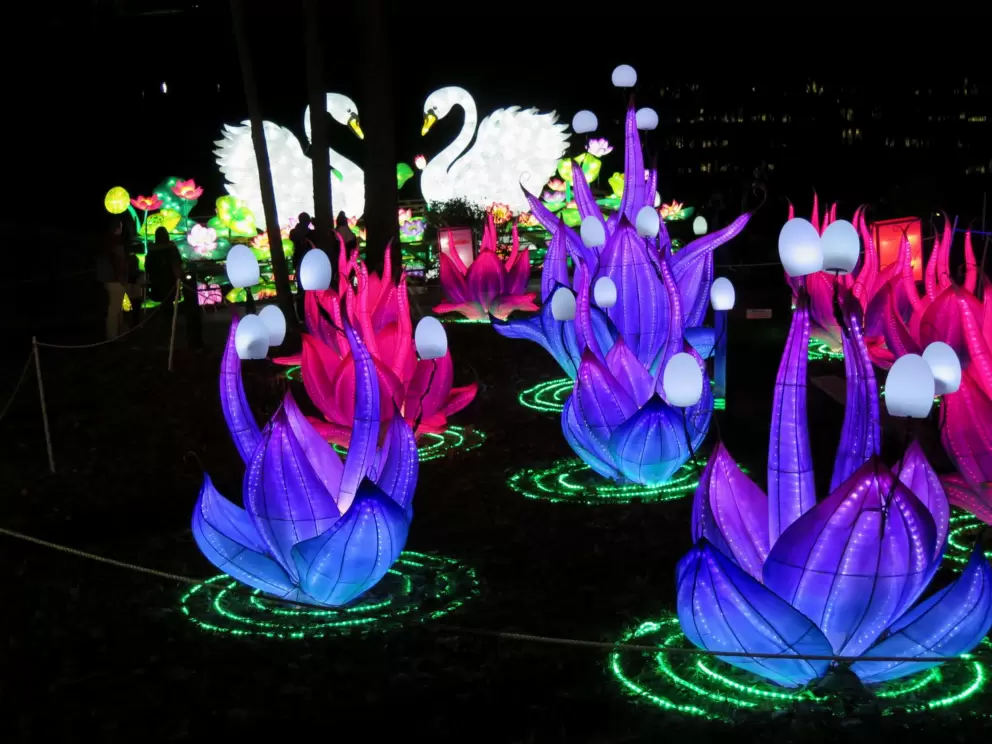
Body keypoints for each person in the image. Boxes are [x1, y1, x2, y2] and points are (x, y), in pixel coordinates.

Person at [145, 227, 183, 337]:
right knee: (170, 303)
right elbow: (178, 262)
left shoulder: (152, 250)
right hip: (170, 279)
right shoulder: (171, 248)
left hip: (157, 280)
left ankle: (165, 326)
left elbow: (148, 266)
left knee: (163, 302)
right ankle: (170, 325)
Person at [97, 218, 128, 339]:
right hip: (116, 279)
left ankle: (117, 332)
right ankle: (113, 335)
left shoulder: (105, 242)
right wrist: (123, 278)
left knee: (115, 307)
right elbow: (120, 261)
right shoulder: (117, 242)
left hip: (107, 279)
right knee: (115, 309)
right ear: (117, 228)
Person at [290, 212, 315, 319]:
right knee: (309, 288)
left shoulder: (294, 232)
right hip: (308, 263)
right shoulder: (310, 234)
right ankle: (308, 312)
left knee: (301, 288)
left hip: (299, 262)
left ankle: (302, 314)